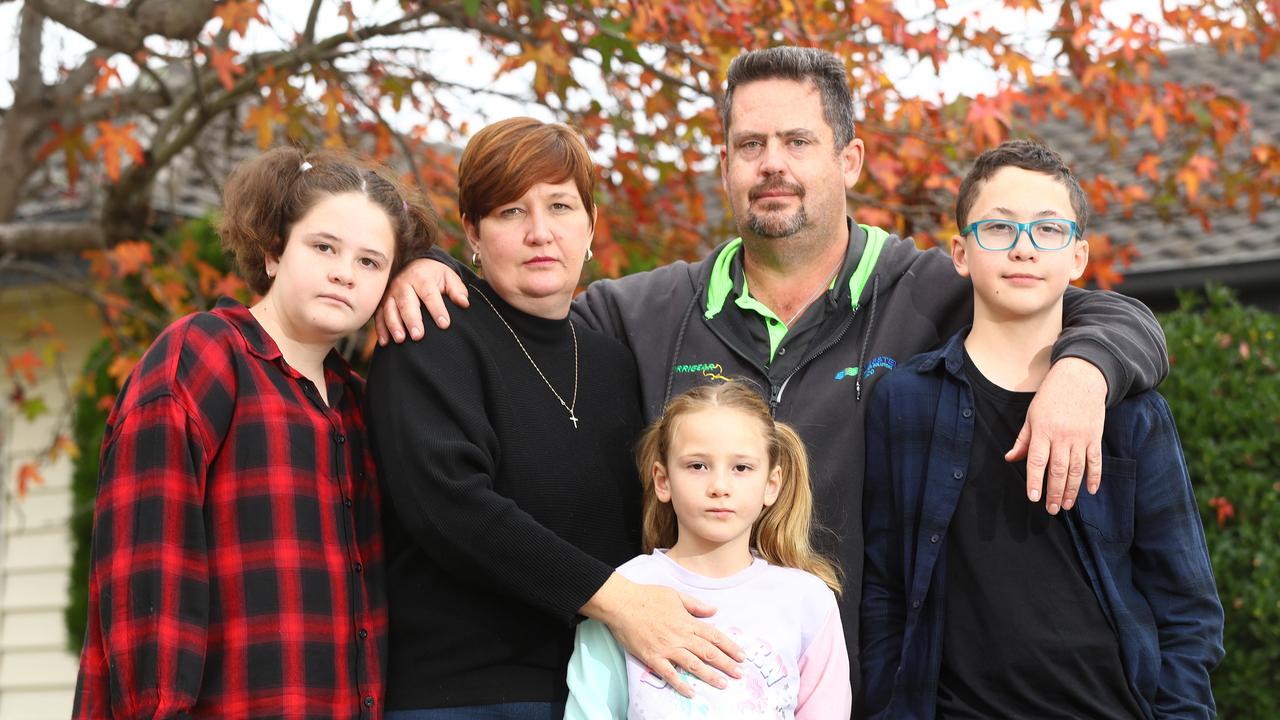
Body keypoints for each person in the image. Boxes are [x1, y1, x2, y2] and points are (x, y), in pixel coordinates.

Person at [376, 47, 1170, 699]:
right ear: (724, 165)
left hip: (879, 689)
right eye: (750, 146)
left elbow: (1097, 307)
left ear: (849, 158)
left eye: (798, 142)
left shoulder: (929, 289)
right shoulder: (639, 314)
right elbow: (522, 324)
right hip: (687, 694)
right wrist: (421, 266)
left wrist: (1085, 371)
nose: (773, 166)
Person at [365, 117, 745, 720]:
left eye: (561, 206)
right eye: (511, 212)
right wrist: (616, 600)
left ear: (591, 225)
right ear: (473, 231)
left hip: (599, 690)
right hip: (467, 694)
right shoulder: (430, 333)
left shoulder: (610, 362)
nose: (540, 233)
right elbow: (452, 508)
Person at [861, 139, 1224, 719]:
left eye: (1048, 230)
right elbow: (885, 591)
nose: (1024, 249)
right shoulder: (905, 402)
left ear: (1078, 257)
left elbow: (1186, 606)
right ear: (960, 253)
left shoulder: (1131, 412)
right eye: (999, 229)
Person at [72, 147, 438, 717]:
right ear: (273, 251)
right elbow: (149, 570)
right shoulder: (202, 358)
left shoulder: (365, 409)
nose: (345, 271)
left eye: (371, 262)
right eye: (324, 247)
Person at [564, 381, 852, 719]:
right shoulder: (621, 591)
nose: (719, 487)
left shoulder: (808, 599)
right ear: (663, 480)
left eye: (741, 468)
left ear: (772, 484)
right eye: (697, 466)